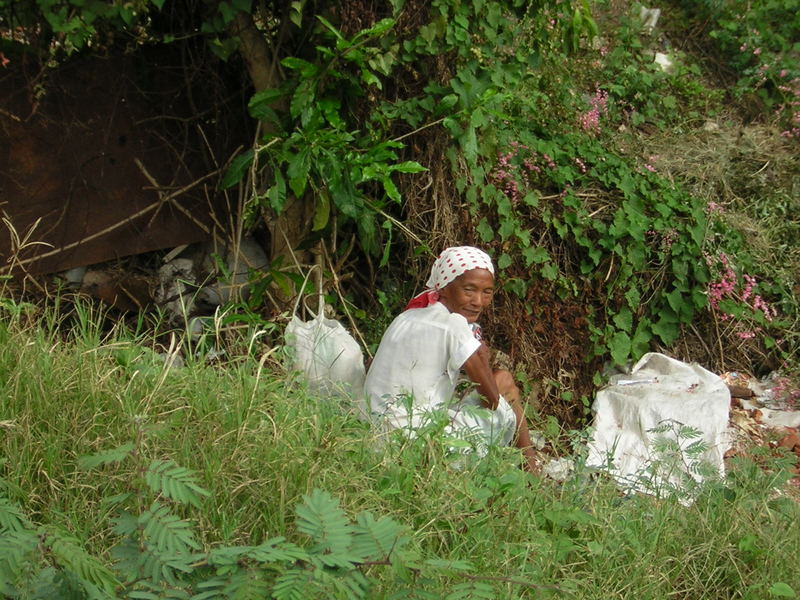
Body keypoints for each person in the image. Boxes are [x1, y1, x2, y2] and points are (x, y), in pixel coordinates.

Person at [364, 246, 538, 472]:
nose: (478, 301)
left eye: (487, 292)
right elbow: (491, 401)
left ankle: (531, 465)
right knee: (504, 381)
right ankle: (532, 467)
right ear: (444, 288)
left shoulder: (407, 316)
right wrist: (482, 354)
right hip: (414, 442)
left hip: (371, 434)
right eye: (469, 290)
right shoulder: (453, 324)